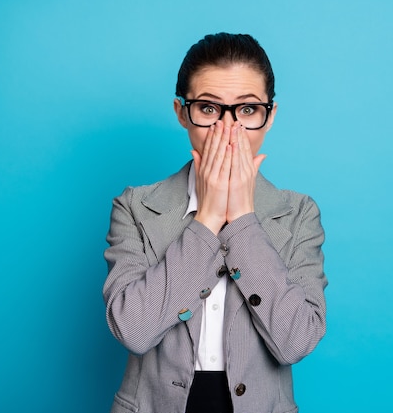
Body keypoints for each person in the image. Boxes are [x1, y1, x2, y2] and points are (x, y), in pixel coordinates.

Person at [103, 32, 327, 413]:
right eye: (208, 109)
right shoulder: (135, 207)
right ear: (181, 112)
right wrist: (206, 218)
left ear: (269, 116)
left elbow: (295, 342)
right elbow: (133, 330)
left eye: (246, 110)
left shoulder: (299, 213)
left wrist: (241, 218)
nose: (229, 131)